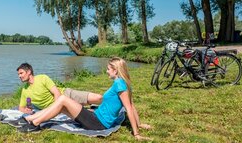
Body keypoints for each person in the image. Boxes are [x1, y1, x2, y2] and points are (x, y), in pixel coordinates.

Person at [17, 58, 152, 141]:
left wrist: (136, 133)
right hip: (95, 117)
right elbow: (132, 105)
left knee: (63, 99)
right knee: (62, 106)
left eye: (108, 69)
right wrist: (139, 124)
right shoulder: (122, 83)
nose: (106, 71)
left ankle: (35, 123)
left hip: (98, 123)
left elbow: (129, 107)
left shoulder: (119, 84)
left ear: (116, 71)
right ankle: (30, 119)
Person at [16, 63, 102, 114]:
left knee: (98, 98)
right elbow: (22, 108)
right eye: (18, 74)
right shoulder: (25, 90)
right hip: (60, 109)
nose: (19, 76)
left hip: (65, 95)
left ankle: (112, 101)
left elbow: (56, 93)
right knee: (87, 112)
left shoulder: (42, 78)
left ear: (29, 72)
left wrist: (55, 108)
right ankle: (91, 107)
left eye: (21, 73)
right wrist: (27, 111)